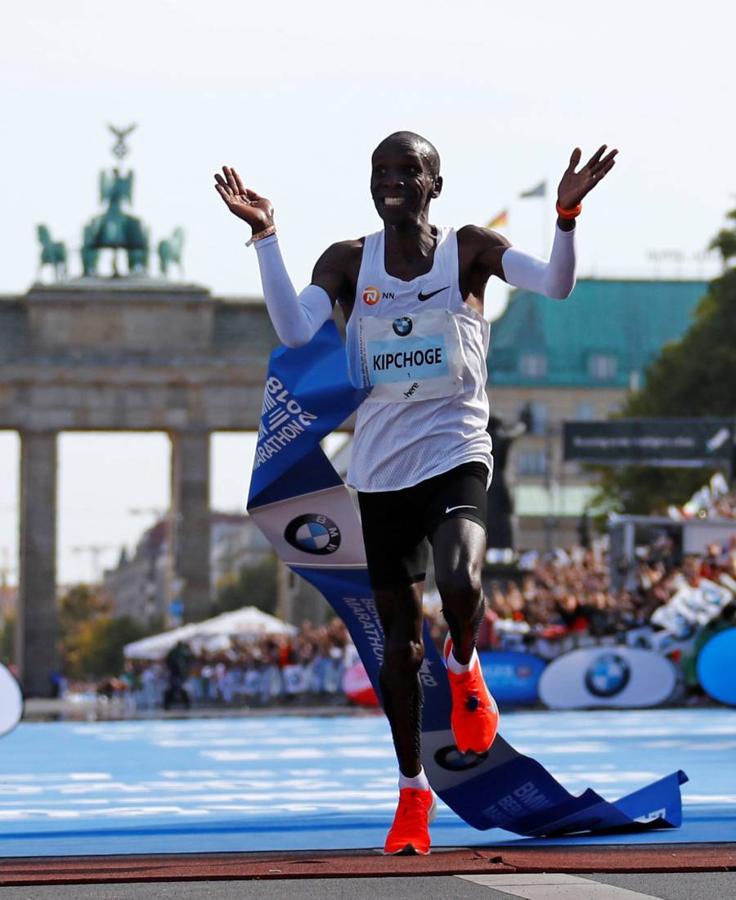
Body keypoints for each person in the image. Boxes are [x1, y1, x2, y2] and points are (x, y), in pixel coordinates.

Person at [214, 133, 616, 854]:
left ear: (435, 183)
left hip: (457, 451)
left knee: (461, 579)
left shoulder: (470, 250)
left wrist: (565, 216)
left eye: (408, 170)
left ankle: (465, 666)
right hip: (379, 471)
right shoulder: (345, 262)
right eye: (381, 171)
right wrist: (267, 236)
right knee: (399, 651)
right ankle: (411, 794)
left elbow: (554, 284)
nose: (393, 181)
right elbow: (294, 328)